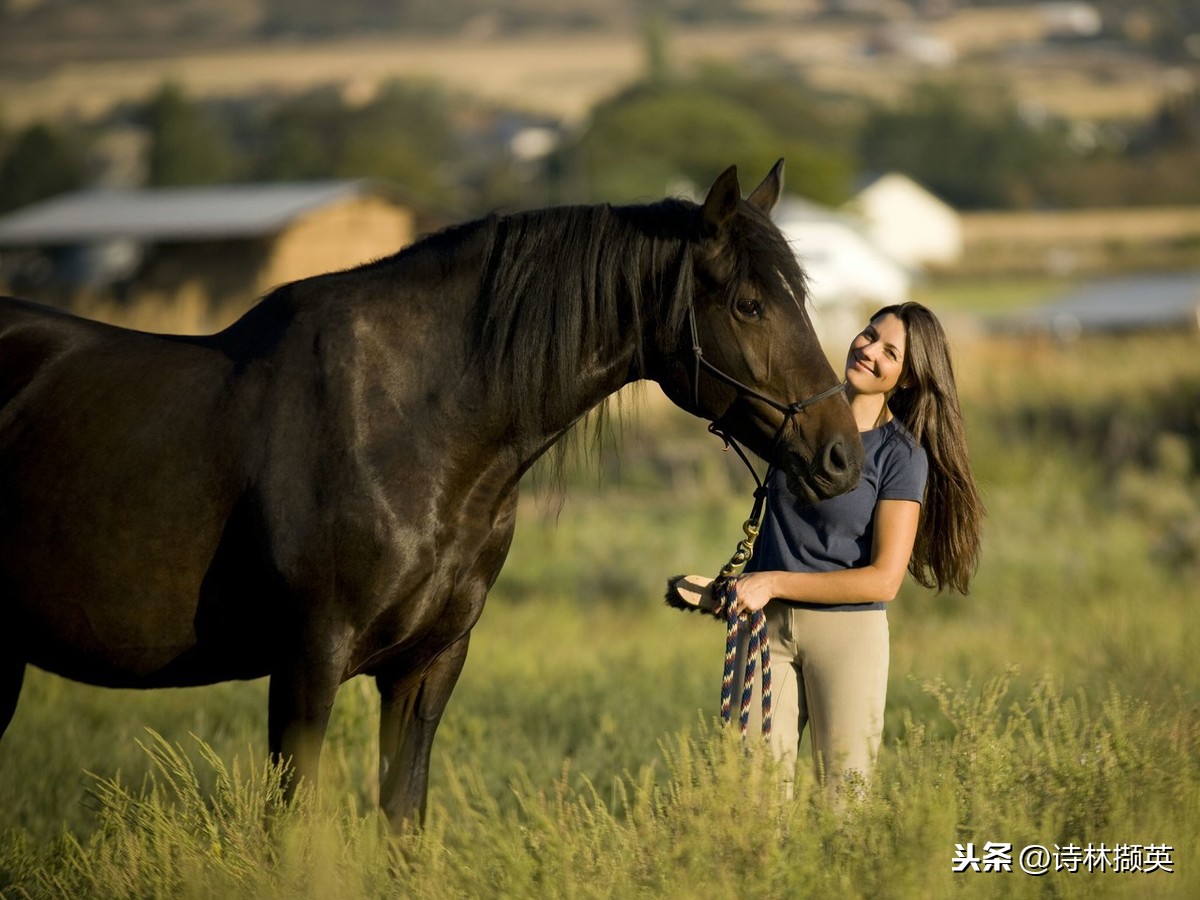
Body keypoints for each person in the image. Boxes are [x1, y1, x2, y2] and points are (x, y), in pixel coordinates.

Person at [674, 301, 984, 800]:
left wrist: (772, 581)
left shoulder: (901, 456)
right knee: (748, 805)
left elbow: (884, 579)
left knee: (845, 808)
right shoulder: (793, 421)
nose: (869, 350)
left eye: (890, 351)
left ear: (905, 379)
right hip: (763, 630)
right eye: (868, 334)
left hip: (847, 637)